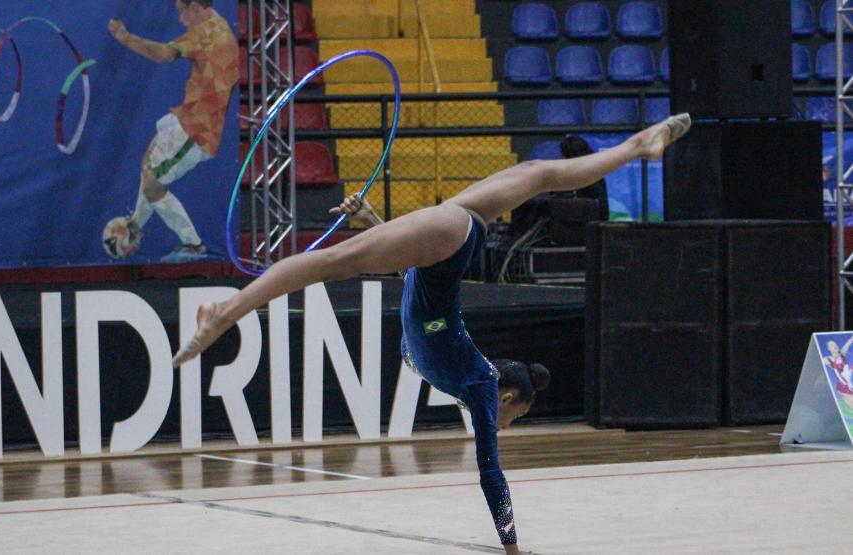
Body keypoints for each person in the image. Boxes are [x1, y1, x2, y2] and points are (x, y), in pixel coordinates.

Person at [173, 113, 692, 553]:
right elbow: (491, 475)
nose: (505, 425)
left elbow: (413, 285)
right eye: (515, 415)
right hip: (448, 243)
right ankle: (226, 310)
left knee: (539, 172)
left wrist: (375, 221)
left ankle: (638, 143)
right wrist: (511, 545)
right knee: (334, 261)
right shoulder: (483, 389)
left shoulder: (458, 367)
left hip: (445, 243)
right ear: (508, 395)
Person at [108, 0, 238, 263]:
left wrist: (125, 38)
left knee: (154, 183)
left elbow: (164, 54)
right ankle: (134, 226)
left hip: (198, 128)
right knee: (148, 163)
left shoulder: (207, 33)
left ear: (196, 8)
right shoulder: (219, 29)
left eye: (182, 12)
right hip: (188, 115)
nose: (181, 20)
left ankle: (193, 244)